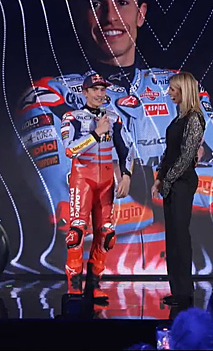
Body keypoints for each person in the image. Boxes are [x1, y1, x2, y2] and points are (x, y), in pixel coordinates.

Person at [15, 0, 213, 275]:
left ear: (141, 14)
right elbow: (69, 209)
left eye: (122, 2)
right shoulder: (48, 97)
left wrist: (124, 180)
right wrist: (173, 173)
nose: (111, 16)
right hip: (89, 278)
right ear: (81, 15)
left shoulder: (180, 85)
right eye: (96, 4)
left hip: (178, 276)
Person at [61, 73, 133, 298]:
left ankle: (94, 286)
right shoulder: (72, 117)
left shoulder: (114, 118)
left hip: (106, 182)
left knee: (107, 235)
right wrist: (96, 134)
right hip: (82, 180)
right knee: (76, 233)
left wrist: (126, 176)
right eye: (95, 89)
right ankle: (74, 289)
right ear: (85, 92)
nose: (100, 94)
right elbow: (70, 150)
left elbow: (126, 149)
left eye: (103, 89)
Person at [149, 71, 205, 306]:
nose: (169, 92)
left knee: (180, 236)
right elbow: (169, 153)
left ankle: (185, 291)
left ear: (184, 91)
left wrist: (168, 180)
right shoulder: (177, 119)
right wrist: (159, 179)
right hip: (171, 182)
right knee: (172, 237)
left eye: (173, 89)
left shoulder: (194, 118)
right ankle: (176, 289)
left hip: (183, 182)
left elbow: (186, 156)